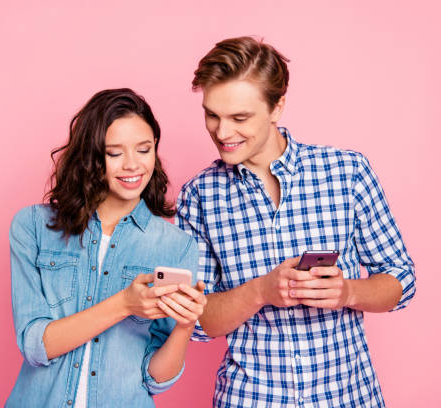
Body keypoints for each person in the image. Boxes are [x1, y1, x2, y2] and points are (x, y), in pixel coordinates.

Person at [176, 37, 416, 408]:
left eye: (240, 118)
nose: (222, 133)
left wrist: (348, 293)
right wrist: (260, 291)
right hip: (250, 398)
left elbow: (401, 278)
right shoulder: (199, 196)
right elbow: (197, 321)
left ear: (277, 107)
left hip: (347, 397)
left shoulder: (347, 173)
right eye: (212, 115)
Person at [6, 88, 206, 408]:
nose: (133, 165)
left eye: (144, 149)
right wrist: (126, 304)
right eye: (115, 153)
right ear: (91, 157)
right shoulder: (32, 227)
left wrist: (185, 325)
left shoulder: (176, 246)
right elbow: (35, 345)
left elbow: (155, 379)